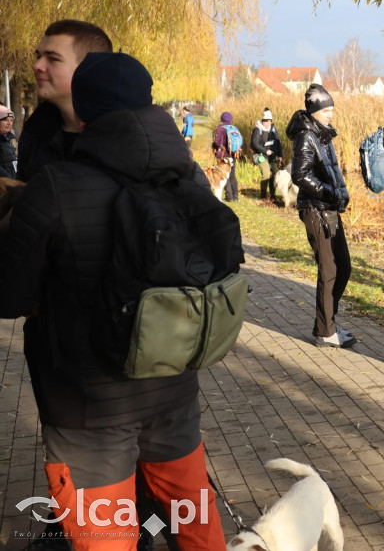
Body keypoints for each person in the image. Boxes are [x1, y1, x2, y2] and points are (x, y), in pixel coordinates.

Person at [0, 52, 225, 549]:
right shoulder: (187, 176)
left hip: (88, 411)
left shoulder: (56, 185)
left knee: (106, 539)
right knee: (196, 530)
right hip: (173, 394)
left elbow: (9, 295)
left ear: (82, 110)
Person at [286, 85, 356, 349]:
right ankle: (326, 332)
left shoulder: (321, 134)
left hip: (328, 209)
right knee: (329, 270)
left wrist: (340, 193)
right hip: (315, 209)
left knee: (343, 267)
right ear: (314, 111)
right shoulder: (306, 135)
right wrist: (329, 192)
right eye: (326, 110)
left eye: (332, 110)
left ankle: (327, 323)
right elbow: (300, 175)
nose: (331, 115)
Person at [19, 19, 113, 182]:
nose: (37, 66)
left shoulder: (123, 136)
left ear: (89, 69)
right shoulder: (35, 132)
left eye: (53, 59)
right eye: (39, 56)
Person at [251, 107, 283, 201]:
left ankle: (273, 195)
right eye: (265, 121)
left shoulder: (273, 129)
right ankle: (264, 196)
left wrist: (280, 155)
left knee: (275, 174)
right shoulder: (257, 130)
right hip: (261, 155)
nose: (266, 123)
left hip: (273, 156)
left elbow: (278, 142)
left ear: (271, 121)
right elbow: (254, 143)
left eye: (268, 121)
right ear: (262, 120)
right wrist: (266, 151)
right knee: (266, 174)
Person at [212, 111, 240, 201]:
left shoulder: (221, 128)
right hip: (233, 154)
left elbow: (217, 142)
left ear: (222, 118)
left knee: (223, 175)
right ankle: (236, 196)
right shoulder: (234, 127)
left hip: (223, 155)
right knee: (232, 174)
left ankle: (229, 196)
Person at [0, 105, 17, 178]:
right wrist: (9, 178)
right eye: (5, 120)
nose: (9, 123)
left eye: (11, 120)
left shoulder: (9, 138)